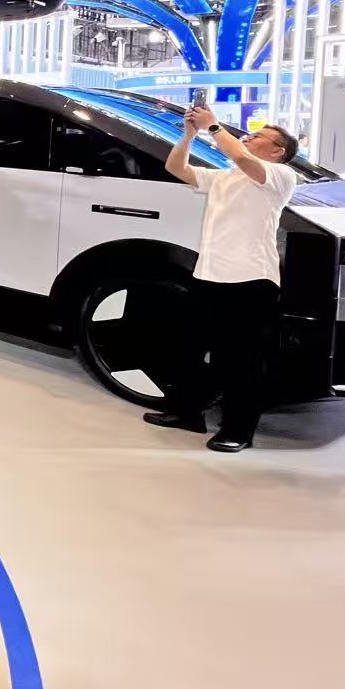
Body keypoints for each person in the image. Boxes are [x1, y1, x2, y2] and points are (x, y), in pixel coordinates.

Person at [143, 106, 300, 452]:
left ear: (278, 152)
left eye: (259, 136)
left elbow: (241, 156)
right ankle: (187, 412)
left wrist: (212, 126)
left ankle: (239, 430)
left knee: (240, 361)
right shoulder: (225, 177)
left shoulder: (280, 176)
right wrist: (189, 135)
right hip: (208, 275)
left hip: (250, 280)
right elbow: (176, 168)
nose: (250, 137)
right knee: (190, 349)